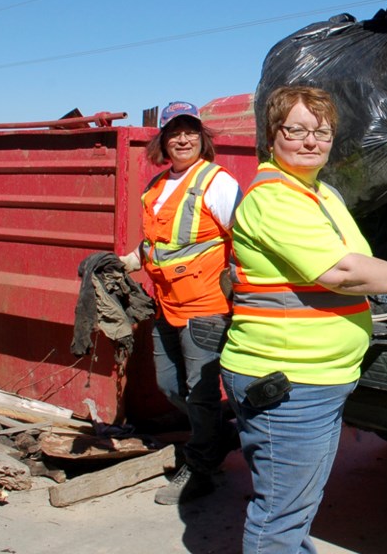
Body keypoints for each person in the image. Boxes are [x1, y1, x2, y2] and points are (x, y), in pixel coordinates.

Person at [219, 85, 387, 554]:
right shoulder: (274, 198)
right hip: (289, 382)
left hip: (320, 378)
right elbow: (343, 271)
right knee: (279, 519)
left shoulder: (320, 192)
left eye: (323, 131)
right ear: (272, 135)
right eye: (297, 130)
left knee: (297, 507)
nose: (312, 141)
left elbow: (352, 256)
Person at [120, 101, 242, 505]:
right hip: (166, 305)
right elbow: (158, 244)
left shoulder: (216, 182)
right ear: (164, 140)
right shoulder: (155, 187)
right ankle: (221, 436)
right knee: (169, 386)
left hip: (205, 307)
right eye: (175, 132)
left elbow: (242, 239)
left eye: (191, 130)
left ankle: (202, 469)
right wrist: (123, 263)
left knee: (201, 394)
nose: (183, 138)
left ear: (202, 137)